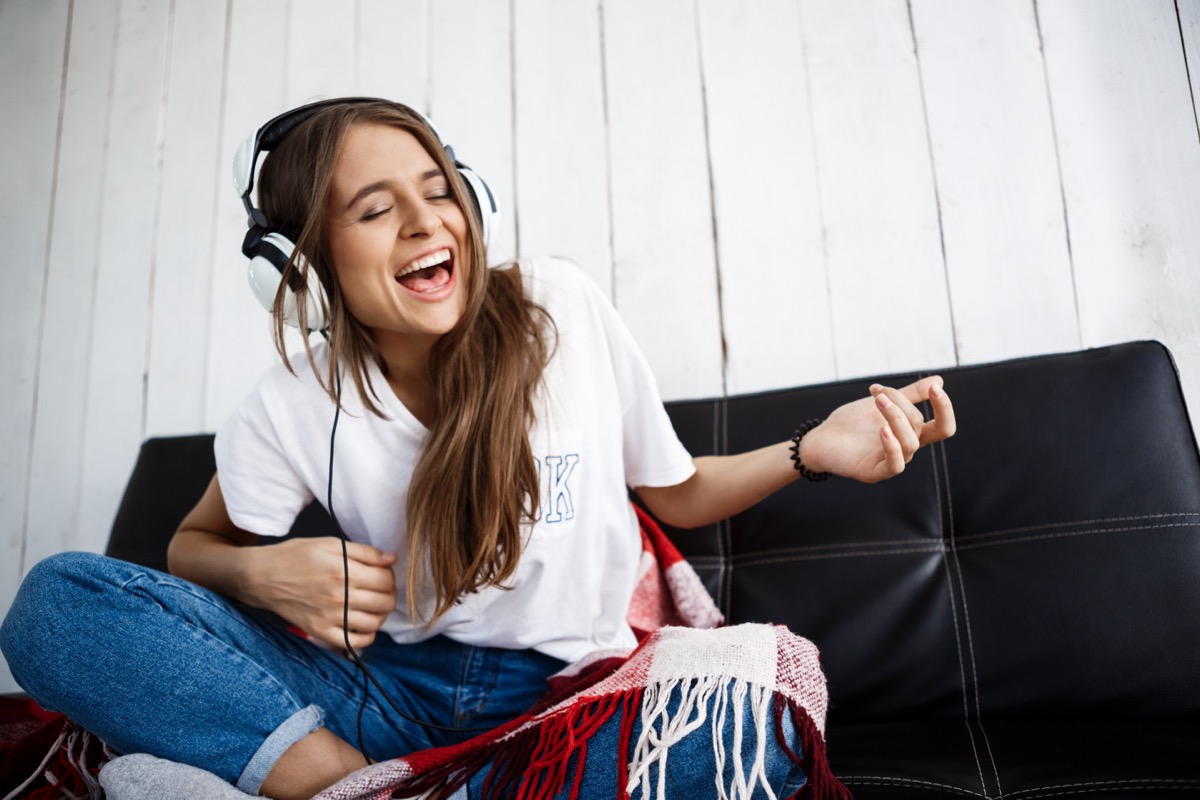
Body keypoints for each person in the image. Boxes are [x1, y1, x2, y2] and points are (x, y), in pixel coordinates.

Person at [0, 98, 955, 800]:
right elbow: (189, 550)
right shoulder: (294, 403)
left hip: (568, 698)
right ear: (301, 266)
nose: (427, 223)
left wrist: (814, 452)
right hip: (378, 691)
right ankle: (350, 780)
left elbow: (682, 491)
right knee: (53, 608)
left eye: (438, 191)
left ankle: (367, 786)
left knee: (762, 726)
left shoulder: (560, 311)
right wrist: (268, 576)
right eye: (375, 210)